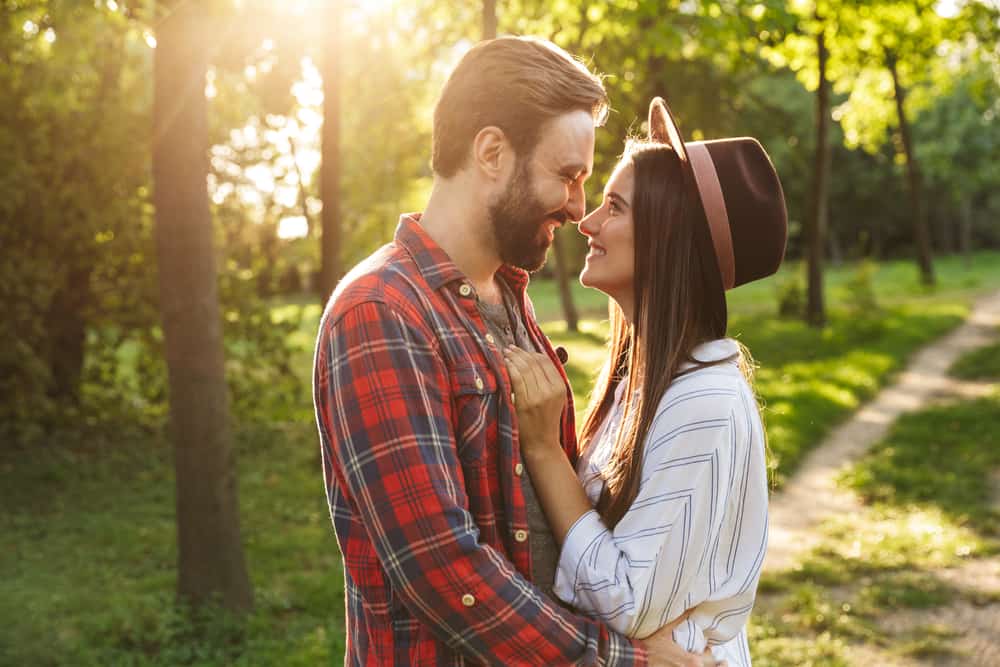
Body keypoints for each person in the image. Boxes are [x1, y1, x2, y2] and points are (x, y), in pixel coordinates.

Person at [313, 38, 719, 666]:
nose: (579, 207)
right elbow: (443, 570)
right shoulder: (381, 311)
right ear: (493, 152)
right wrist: (624, 661)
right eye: (568, 176)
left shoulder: (508, 297)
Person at [503, 96, 787, 667]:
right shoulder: (640, 381)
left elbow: (626, 602)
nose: (586, 221)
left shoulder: (704, 401)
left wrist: (542, 448)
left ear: (668, 237)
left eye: (615, 207)